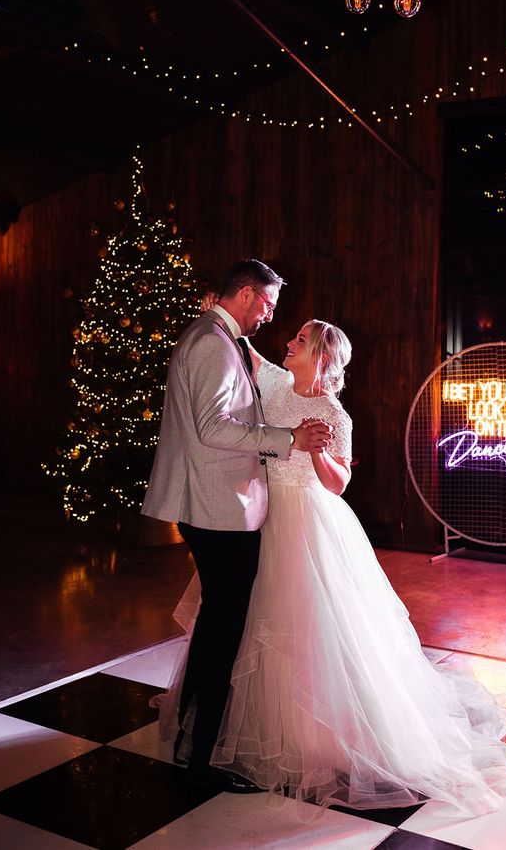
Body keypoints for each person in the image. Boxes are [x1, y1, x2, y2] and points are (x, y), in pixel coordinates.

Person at [159, 316, 506, 816]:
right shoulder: (278, 384)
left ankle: (313, 737)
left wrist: (316, 451)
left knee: (309, 628)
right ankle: (238, 727)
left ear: (321, 358)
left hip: (307, 521)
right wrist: (224, 319)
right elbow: (250, 358)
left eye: (300, 340)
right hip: (260, 516)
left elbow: (338, 484)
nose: (289, 342)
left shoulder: (335, 414)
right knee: (243, 620)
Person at [141, 260, 331, 794]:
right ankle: (201, 755)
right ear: (246, 295)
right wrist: (287, 440)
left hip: (216, 504)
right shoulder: (211, 342)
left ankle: (190, 735)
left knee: (217, 625)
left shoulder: (220, 336)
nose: (270, 316)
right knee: (225, 630)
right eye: (268, 304)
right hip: (216, 506)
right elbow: (212, 427)